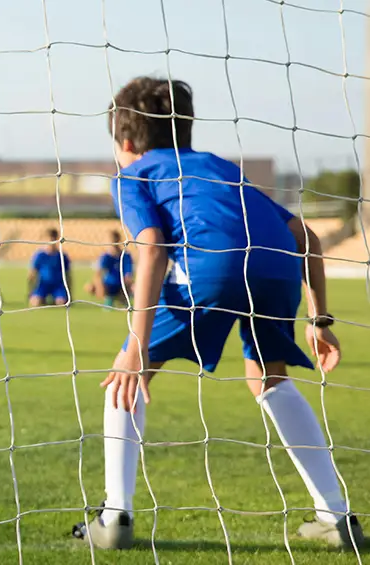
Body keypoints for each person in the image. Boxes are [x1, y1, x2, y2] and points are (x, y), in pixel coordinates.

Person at [73, 76, 360, 550]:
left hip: (215, 267)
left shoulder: (133, 174)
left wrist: (135, 348)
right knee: (270, 377)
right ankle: (337, 515)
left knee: (127, 373)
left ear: (124, 143)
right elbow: (305, 236)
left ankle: (115, 514)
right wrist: (320, 320)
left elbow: (150, 247)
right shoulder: (221, 168)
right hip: (275, 267)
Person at [85, 230, 135, 307]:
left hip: (122, 285)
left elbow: (129, 275)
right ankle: (108, 298)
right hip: (108, 285)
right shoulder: (105, 257)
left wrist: (126, 286)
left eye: (113, 239)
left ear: (118, 239)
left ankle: (123, 298)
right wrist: (100, 286)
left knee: (135, 287)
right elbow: (98, 274)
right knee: (89, 287)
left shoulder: (125, 256)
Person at [28, 228, 72, 306]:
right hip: (43, 285)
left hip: (58, 286)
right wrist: (31, 291)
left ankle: (54, 300)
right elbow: (32, 273)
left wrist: (70, 293)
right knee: (35, 303)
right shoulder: (40, 255)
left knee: (61, 303)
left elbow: (68, 275)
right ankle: (43, 299)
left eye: (53, 239)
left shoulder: (62, 256)